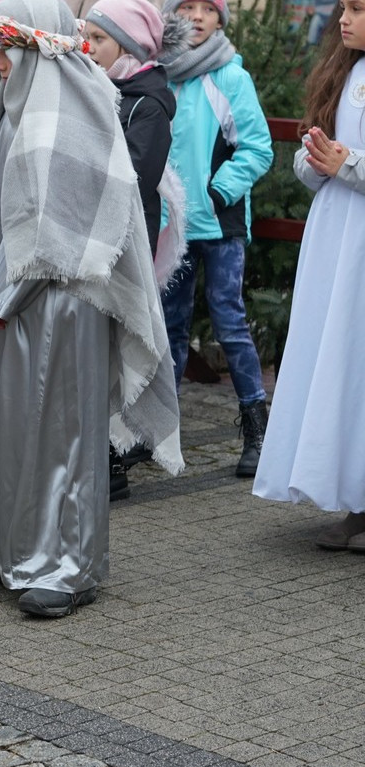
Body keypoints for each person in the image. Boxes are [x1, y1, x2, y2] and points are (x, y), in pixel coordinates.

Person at [0, 0, 182, 617]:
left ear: (32, 50)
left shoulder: (73, 115)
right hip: (9, 296)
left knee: (59, 433)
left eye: (2, 51)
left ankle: (66, 564)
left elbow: (59, 233)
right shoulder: (10, 106)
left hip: (65, 302)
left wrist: (1, 293)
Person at [253, 4, 365, 548]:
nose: (344, 18)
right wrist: (316, 160)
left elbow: (349, 161)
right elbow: (313, 152)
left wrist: (348, 163)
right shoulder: (344, 69)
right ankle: (354, 499)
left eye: (358, 8)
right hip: (335, 237)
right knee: (339, 358)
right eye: (343, 7)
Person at [157, 0, 273, 478]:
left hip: (220, 223)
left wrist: (218, 189)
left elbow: (258, 148)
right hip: (171, 226)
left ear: (221, 20)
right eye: (187, 5)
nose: (198, 16)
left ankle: (257, 429)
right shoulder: (159, 76)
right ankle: (159, 431)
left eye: (209, 7)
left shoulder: (230, 77)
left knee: (229, 321)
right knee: (169, 326)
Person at [84, 0, 188, 499]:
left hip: (124, 239)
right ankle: (96, 449)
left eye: (99, 39)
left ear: (127, 45)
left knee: (115, 346)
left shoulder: (148, 103)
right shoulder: (99, 89)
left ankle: (114, 460)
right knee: (93, 347)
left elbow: (136, 176)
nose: (88, 47)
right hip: (92, 235)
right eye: (87, 37)